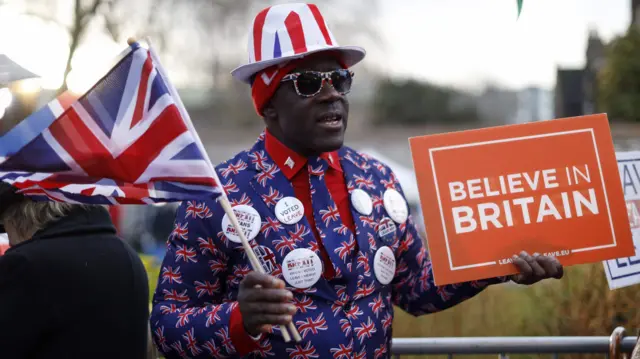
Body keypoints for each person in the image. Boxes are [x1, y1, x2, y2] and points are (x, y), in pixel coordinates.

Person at [149, 3, 564, 358]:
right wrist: (241, 319)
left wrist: (498, 262)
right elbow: (167, 324)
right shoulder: (218, 195)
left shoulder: (378, 180)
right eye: (309, 83)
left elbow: (416, 289)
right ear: (268, 104)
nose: (332, 94)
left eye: (340, 79)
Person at [0, 182, 151, 358]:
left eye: (4, 226)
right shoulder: (128, 257)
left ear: (20, 216)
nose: (9, 241)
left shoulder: (26, 264)